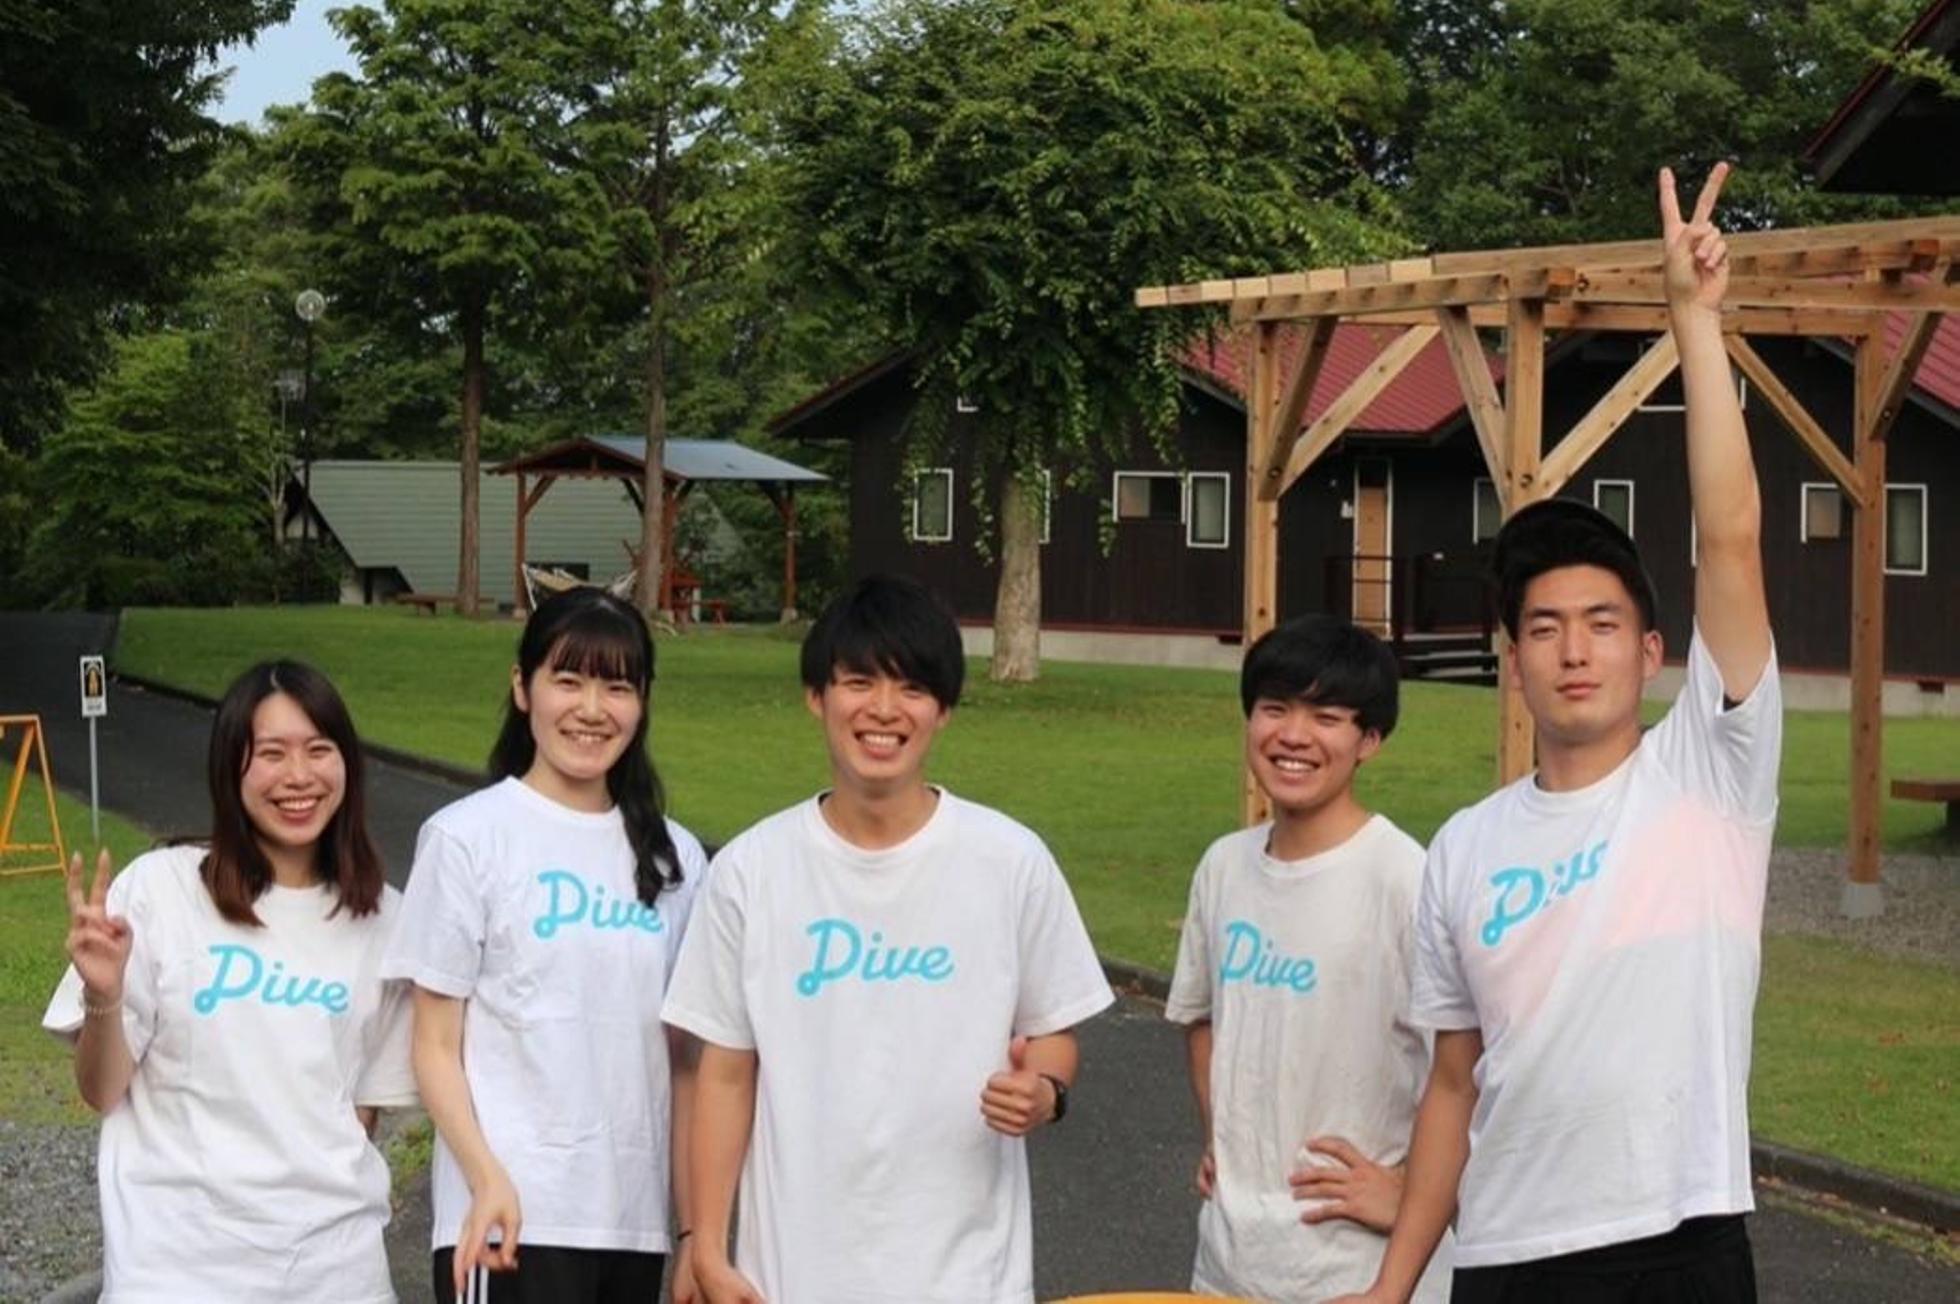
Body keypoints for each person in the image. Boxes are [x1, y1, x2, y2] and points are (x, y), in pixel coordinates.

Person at [1335, 162, 1778, 1304]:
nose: (1573, 648)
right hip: (1504, 1258)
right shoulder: (1464, 849)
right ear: (1514, 659)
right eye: (1543, 627)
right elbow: (1452, 1087)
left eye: (1601, 623)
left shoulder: (1710, 775)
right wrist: (1392, 1285)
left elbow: (1730, 537)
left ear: (1650, 651)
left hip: (1677, 1241)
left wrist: (1694, 320)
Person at [663, 574, 1115, 1304]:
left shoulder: (1009, 860)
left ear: (944, 709)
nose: (883, 709)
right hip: (790, 1276)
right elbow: (724, 1072)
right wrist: (707, 1242)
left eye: (912, 688)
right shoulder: (751, 869)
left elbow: (1052, 1030)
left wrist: (1044, 1092)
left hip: (969, 1277)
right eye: (858, 682)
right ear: (817, 696)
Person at [44, 660, 415, 1302]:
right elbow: (102, 1091)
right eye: (271, 753)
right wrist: (104, 995)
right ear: (230, 767)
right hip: (177, 1272)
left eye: (318, 750)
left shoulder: (385, 917)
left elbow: (358, 1115)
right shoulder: (161, 890)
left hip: (337, 1274)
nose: (298, 776)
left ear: (347, 765)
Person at [382, 588, 711, 1303]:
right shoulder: (467, 838)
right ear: (521, 688)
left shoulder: (676, 858)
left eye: (617, 687)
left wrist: (694, 1232)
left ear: (642, 702)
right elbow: (433, 1044)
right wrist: (486, 1176)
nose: (592, 709)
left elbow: (686, 1061)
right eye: (568, 680)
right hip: (504, 1221)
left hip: (631, 1227)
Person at [1165, 614, 1450, 1303]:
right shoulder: (1224, 867)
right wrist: (1224, 1134)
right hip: (1229, 1261)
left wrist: (1413, 1194)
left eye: (1326, 717)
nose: (1293, 736)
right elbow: (1201, 1018)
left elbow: (1469, 1075)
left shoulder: (1405, 879)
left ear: (1369, 741)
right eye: (1275, 709)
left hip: (1356, 1271)